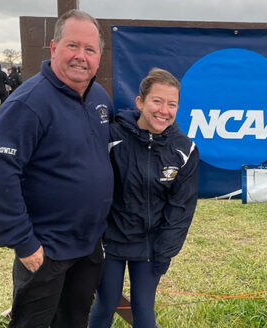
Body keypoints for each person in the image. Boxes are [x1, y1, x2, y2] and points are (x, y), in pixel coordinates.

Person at [0, 9, 113, 327]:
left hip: (88, 246)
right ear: (53, 48)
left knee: (75, 320)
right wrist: (23, 242)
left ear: (99, 57)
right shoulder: (28, 104)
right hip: (44, 250)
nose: (81, 56)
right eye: (72, 46)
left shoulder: (99, 99)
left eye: (90, 50)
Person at [89, 68, 199, 328]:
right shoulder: (112, 137)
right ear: (140, 102)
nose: (164, 110)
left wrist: (165, 250)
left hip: (151, 246)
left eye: (172, 104)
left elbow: (181, 208)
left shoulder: (185, 150)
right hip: (110, 241)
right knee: (106, 303)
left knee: (143, 308)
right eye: (157, 101)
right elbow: (90, 187)